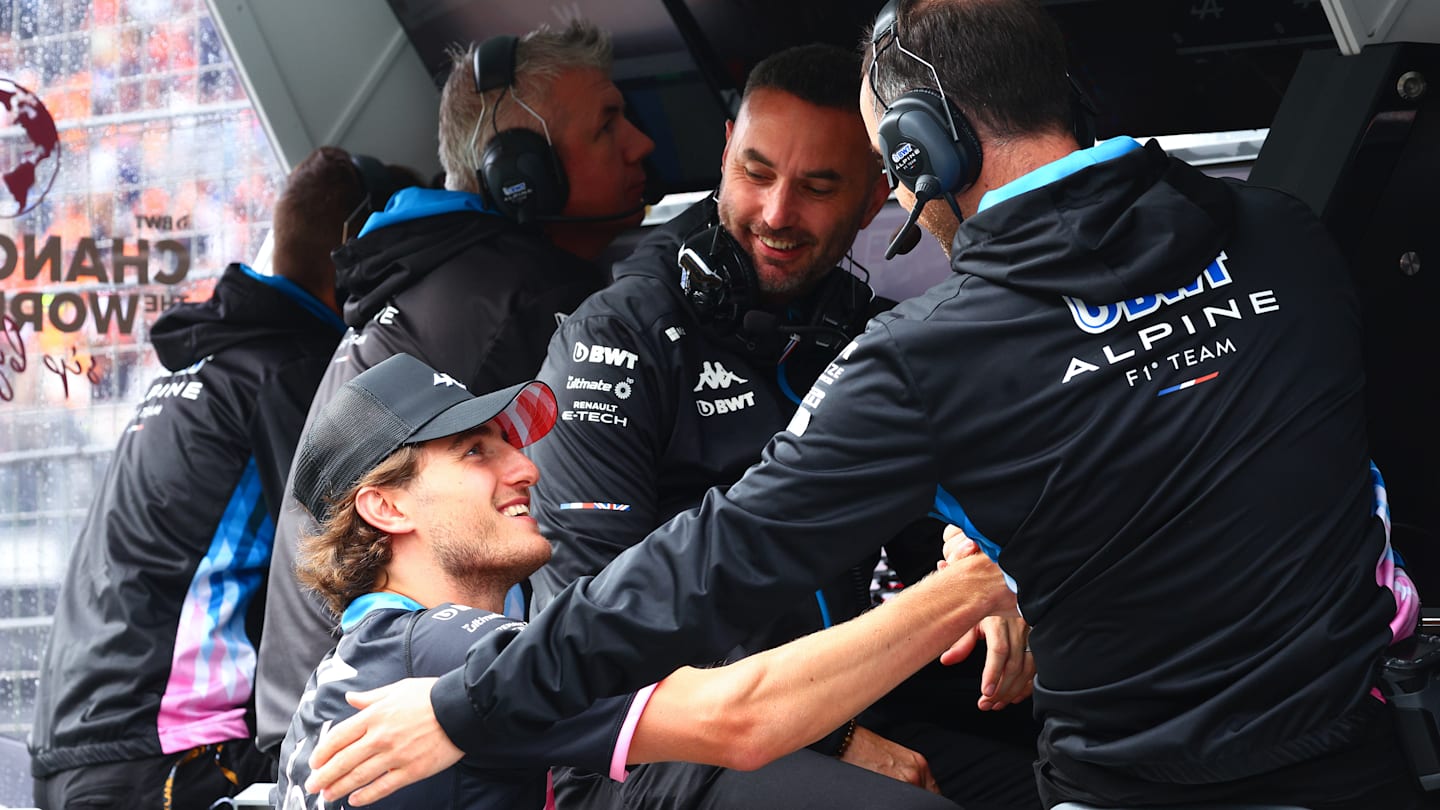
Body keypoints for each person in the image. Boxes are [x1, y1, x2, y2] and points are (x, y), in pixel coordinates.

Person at [300, 0, 1431, 807]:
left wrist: (463, 706)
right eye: (756, 172)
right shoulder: (1287, 232)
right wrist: (974, 567)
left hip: (1136, 778)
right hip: (1364, 756)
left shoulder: (929, 356)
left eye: (847, 178)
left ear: (916, 151)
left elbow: (709, 564)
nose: (786, 210)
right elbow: (1155, 431)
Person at [526, 41, 1037, 809]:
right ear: (726, 153)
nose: (776, 212)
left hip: (846, 709)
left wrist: (1002, 583)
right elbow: (597, 621)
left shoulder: (876, 339)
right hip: (647, 745)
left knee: (1072, 767)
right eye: (757, 173)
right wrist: (828, 736)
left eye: (818, 186)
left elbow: (966, 508)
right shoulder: (618, 338)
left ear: (875, 199)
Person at [274, 352, 1014, 810]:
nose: (526, 467)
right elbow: (740, 718)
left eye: (509, 444)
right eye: (475, 451)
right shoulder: (443, 651)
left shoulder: (350, 666)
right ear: (384, 505)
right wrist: (973, 585)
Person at [253, 17, 656, 758]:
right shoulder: (517, 299)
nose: (642, 145)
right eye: (608, 126)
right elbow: (570, 547)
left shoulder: (439, 274)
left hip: (312, 711)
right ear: (522, 171)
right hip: (383, 722)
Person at [27, 145, 395, 809]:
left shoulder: (198, 368)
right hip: (171, 755)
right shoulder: (294, 377)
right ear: (354, 251)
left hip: (77, 745)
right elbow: (344, 551)